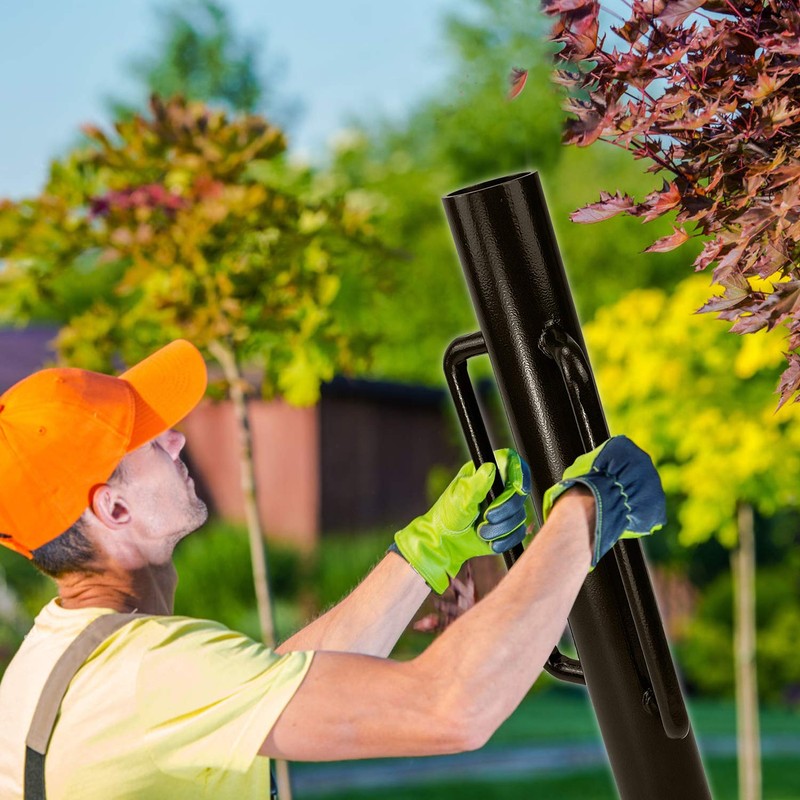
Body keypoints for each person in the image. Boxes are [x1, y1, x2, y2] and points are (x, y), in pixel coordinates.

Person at [0, 339, 665, 799]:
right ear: (112, 507)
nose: (177, 436)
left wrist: (426, 551)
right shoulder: (149, 672)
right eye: (148, 438)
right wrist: (590, 510)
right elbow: (450, 710)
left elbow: (273, 684)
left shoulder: (58, 661)